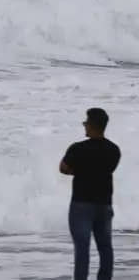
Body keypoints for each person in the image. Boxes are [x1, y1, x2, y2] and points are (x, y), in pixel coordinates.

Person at [60, 107, 121, 280]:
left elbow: (63, 168)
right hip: (104, 204)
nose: (84, 125)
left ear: (92, 125)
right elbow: (110, 168)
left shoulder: (78, 148)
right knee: (105, 248)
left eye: (86, 122)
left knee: (82, 249)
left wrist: (79, 171)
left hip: (81, 204)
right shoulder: (114, 150)